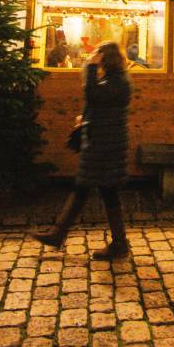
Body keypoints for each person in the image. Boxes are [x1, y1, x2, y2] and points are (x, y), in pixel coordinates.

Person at [34, 42, 132, 260]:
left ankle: (117, 244)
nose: (93, 56)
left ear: (106, 58)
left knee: (97, 190)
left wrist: (89, 66)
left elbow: (93, 95)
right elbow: (99, 104)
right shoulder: (114, 80)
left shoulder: (118, 82)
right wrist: (85, 118)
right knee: (94, 190)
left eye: (98, 54)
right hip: (103, 143)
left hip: (105, 146)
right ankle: (60, 234)